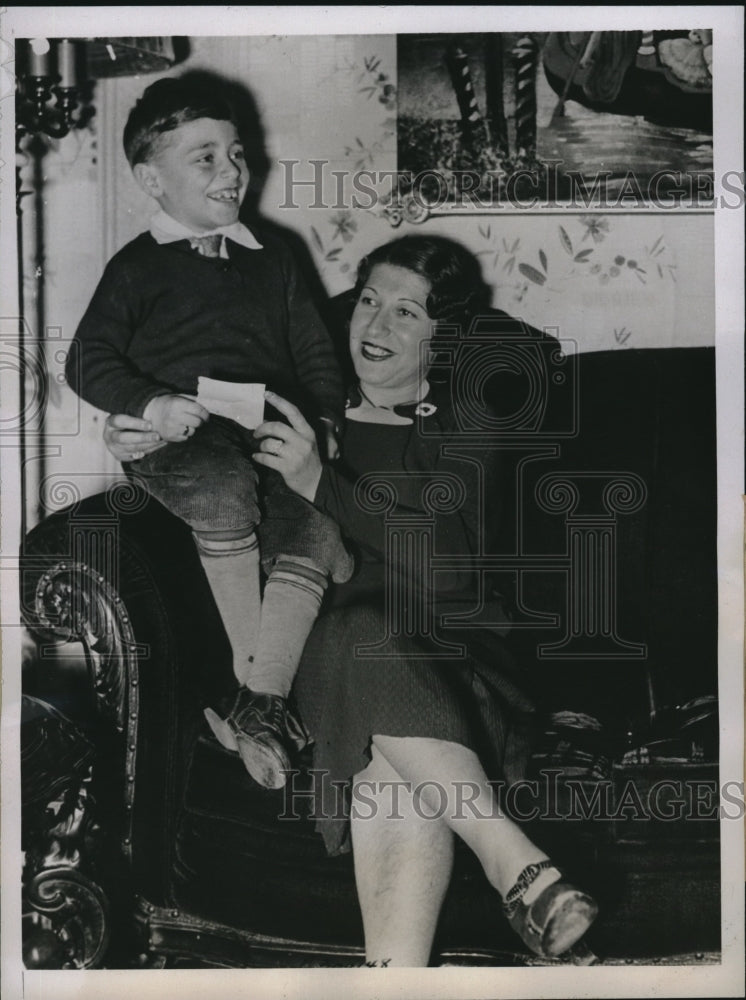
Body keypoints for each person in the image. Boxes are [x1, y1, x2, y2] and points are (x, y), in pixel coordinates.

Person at [103, 234, 598, 967]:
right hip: (326, 674)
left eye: (406, 312)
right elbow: (188, 429)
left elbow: (451, 570)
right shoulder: (290, 408)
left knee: (366, 662)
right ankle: (520, 871)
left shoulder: (467, 426)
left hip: (456, 670)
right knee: (354, 639)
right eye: (368, 301)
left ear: (443, 337)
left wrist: (320, 487)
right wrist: (136, 426)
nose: (376, 325)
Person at [66, 77, 353, 791]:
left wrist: (320, 424)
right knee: (224, 490)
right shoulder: (137, 267)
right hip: (182, 438)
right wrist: (152, 405)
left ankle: (260, 707)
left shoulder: (274, 256)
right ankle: (253, 681)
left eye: (236, 153)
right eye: (204, 158)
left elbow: (316, 354)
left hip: (265, 436)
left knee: (316, 532)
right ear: (150, 180)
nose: (231, 172)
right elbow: (87, 358)